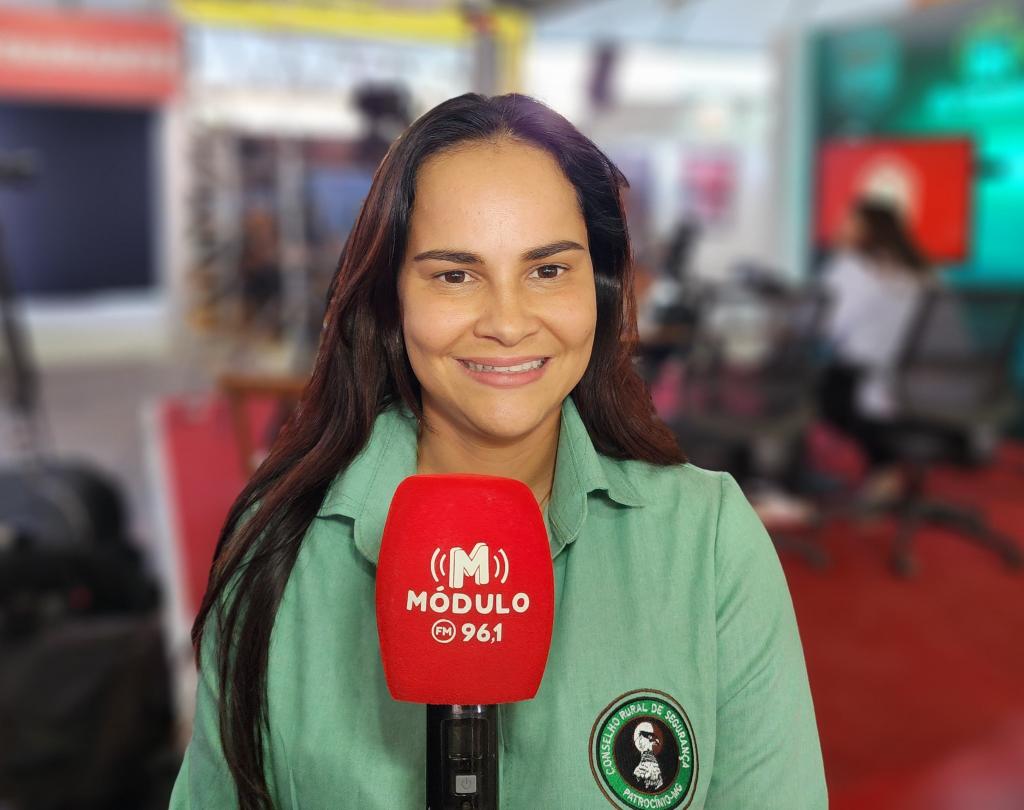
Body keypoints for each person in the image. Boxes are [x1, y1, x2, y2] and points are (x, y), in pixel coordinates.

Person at [170, 93, 826, 809]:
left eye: (548, 271)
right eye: (455, 275)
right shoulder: (279, 546)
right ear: (393, 297)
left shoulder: (709, 542)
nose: (508, 324)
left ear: (602, 288)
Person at [818, 197, 936, 502]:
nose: (839, 227)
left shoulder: (855, 268)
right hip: (923, 385)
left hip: (866, 383)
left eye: (848, 222)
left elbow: (826, 326)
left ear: (866, 230)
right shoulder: (922, 273)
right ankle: (887, 467)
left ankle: (883, 468)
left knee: (806, 388)